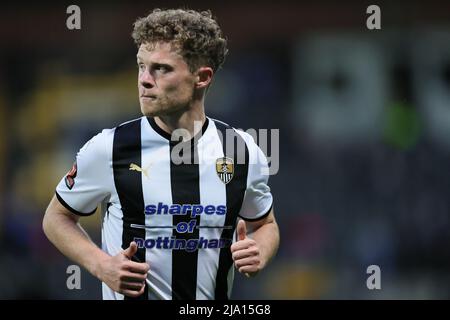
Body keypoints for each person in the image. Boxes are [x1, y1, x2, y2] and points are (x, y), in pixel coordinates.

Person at [43, 8, 279, 300]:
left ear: (202, 77)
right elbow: (56, 217)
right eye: (141, 66)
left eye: (161, 68)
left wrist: (260, 252)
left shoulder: (240, 149)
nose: (144, 79)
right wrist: (102, 265)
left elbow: (265, 224)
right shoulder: (110, 148)